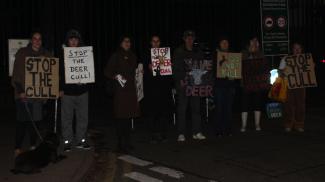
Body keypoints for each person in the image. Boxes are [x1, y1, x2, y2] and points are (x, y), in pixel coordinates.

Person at [11, 31, 51, 157]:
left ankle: (33, 145)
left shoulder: (47, 54)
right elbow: (16, 75)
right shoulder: (22, 53)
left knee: (36, 122)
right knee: (22, 122)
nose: (37, 41)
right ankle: (17, 147)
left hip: (38, 95)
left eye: (40, 39)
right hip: (23, 94)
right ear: (31, 40)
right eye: (35, 38)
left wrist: (51, 91)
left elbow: (52, 75)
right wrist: (20, 91)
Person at [105, 36, 140, 153]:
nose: (127, 43)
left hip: (130, 90)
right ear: (120, 43)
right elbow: (107, 71)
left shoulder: (133, 56)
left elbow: (135, 72)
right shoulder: (116, 55)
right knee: (121, 118)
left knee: (128, 117)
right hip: (120, 91)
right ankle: (120, 143)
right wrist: (115, 75)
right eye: (125, 41)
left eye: (129, 41)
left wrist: (140, 72)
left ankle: (128, 142)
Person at [59, 29, 91, 152]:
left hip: (82, 91)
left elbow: (89, 71)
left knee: (83, 117)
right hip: (67, 93)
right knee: (67, 118)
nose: (73, 41)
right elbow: (59, 74)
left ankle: (81, 140)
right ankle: (67, 141)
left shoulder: (85, 54)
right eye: (71, 39)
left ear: (79, 41)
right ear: (68, 41)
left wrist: (87, 80)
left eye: (75, 39)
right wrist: (60, 89)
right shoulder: (63, 55)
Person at [173, 30, 206, 142]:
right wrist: (181, 79)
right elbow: (176, 69)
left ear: (194, 39)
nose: (190, 39)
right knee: (182, 109)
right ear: (184, 38)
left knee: (196, 109)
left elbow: (203, 67)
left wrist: (202, 80)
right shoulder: (178, 51)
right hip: (183, 84)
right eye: (188, 37)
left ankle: (197, 131)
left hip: (195, 84)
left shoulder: (198, 52)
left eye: (192, 37)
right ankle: (181, 133)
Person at [143, 35, 174, 143]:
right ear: (151, 43)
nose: (155, 43)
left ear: (160, 43)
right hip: (151, 89)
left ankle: (163, 133)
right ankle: (153, 134)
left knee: (163, 111)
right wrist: (148, 69)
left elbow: (169, 73)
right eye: (153, 41)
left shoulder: (165, 54)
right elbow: (142, 73)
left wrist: (170, 66)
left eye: (157, 41)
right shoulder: (146, 55)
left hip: (163, 88)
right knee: (152, 112)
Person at [278, 42, 306, 132]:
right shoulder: (286, 59)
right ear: (292, 50)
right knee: (288, 105)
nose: (297, 50)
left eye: (299, 48)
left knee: (300, 105)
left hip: (301, 85)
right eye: (295, 48)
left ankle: (299, 124)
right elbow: (280, 72)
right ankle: (288, 124)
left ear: (301, 49)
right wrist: (284, 72)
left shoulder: (306, 59)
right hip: (288, 85)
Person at [213, 37, 236, 136]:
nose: (225, 44)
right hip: (219, 86)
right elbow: (213, 70)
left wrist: (234, 77)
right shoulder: (215, 56)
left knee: (228, 109)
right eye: (223, 42)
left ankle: (228, 130)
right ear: (220, 44)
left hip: (230, 86)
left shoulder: (233, 56)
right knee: (219, 109)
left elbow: (236, 71)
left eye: (226, 42)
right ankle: (219, 130)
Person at [240, 36, 265, 132]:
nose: (254, 42)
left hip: (257, 83)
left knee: (257, 103)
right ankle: (243, 125)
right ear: (249, 42)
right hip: (245, 83)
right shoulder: (243, 53)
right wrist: (250, 53)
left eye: (256, 41)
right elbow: (239, 65)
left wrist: (256, 52)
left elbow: (264, 66)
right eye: (252, 40)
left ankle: (257, 124)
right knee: (244, 103)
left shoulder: (260, 53)